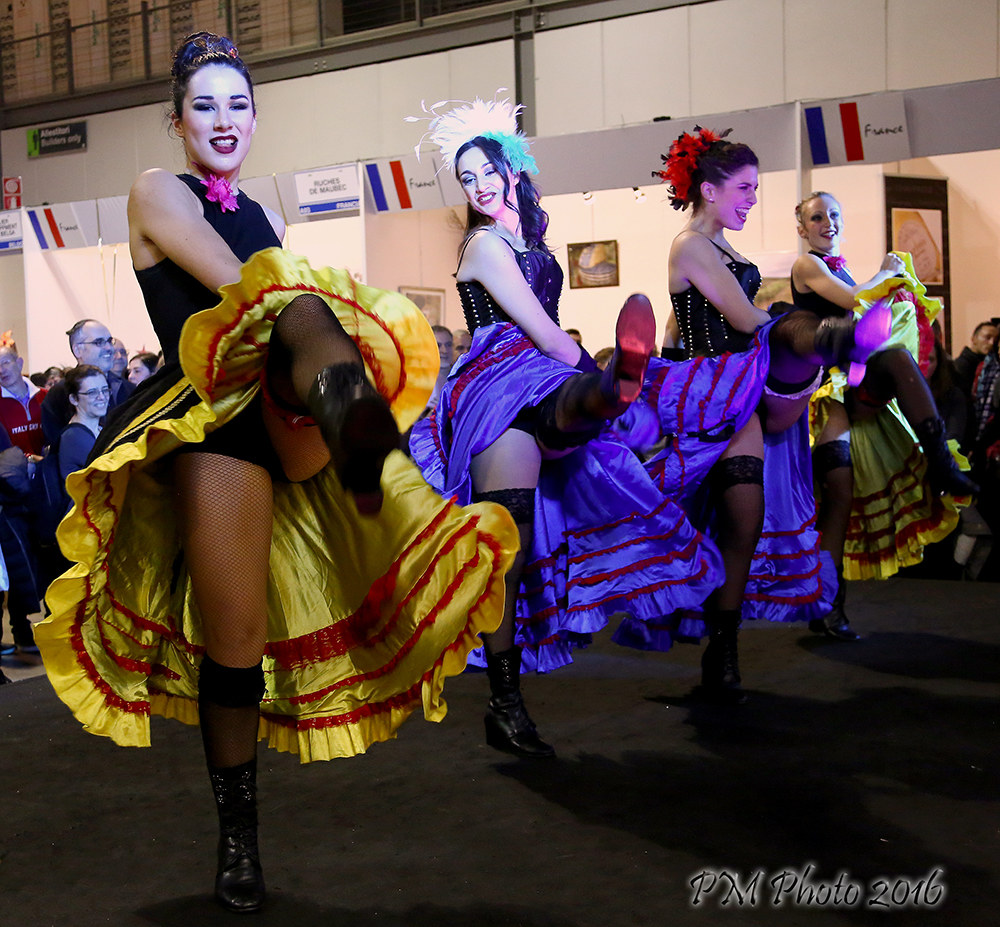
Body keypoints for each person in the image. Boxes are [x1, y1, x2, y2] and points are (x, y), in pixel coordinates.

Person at [34, 33, 518, 915]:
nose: (224, 120)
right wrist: (316, 305)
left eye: (239, 105)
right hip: (214, 419)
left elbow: (283, 304)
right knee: (235, 649)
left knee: (306, 311)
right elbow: (239, 290)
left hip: (290, 407)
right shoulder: (156, 191)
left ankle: (378, 470)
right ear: (176, 120)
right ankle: (238, 836)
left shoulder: (261, 208)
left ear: (257, 120)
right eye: (206, 105)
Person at [410, 95, 724, 752]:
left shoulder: (530, 240)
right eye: (465, 178)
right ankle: (505, 702)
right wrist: (594, 371)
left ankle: (609, 390)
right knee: (509, 549)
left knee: (562, 431)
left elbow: (552, 347)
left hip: (547, 377)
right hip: (497, 384)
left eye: (485, 171)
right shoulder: (483, 244)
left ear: (511, 170)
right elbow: (549, 337)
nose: (477, 186)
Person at [641, 129, 892, 701]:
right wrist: (792, 325)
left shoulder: (725, 250)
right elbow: (744, 318)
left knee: (745, 522)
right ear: (708, 189)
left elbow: (703, 322)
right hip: (706, 392)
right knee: (708, 519)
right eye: (745, 188)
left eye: (756, 188)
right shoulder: (690, 246)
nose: (753, 199)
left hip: (739, 389)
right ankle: (840, 339)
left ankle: (722, 650)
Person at [791, 191, 974, 634]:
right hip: (823, 395)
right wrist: (889, 274)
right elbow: (856, 300)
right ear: (803, 229)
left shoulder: (842, 266)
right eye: (817, 217)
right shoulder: (807, 266)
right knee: (838, 499)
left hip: (853, 384)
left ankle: (942, 463)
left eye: (833, 214)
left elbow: (868, 319)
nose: (827, 223)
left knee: (896, 358)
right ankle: (827, 606)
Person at [40, 319, 134, 444]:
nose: (109, 348)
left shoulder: (129, 389)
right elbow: (55, 445)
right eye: (99, 342)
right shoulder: (60, 393)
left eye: (109, 341)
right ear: (78, 350)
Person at [56, 365, 108, 484]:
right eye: (92, 392)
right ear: (74, 399)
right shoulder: (73, 437)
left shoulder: (99, 428)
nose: (102, 397)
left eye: (105, 390)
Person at [954, 320, 999, 397]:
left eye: (995, 340)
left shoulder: (990, 365)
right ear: (974, 339)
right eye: (987, 338)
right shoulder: (961, 366)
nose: (991, 343)